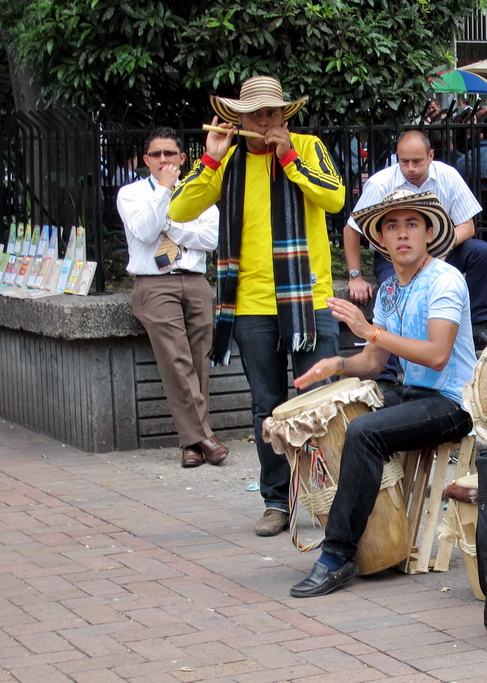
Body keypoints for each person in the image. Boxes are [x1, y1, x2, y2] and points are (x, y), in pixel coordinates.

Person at [169, 75, 346, 536]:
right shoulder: (225, 159)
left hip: (308, 299)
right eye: (254, 114)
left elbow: (334, 197)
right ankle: (276, 502)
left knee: (318, 405)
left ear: (284, 116)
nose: (263, 121)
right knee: (266, 407)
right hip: (249, 304)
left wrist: (287, 155)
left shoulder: (307, 147)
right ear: (238, 117)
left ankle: (329, 499)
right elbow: (180, 210)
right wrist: (209, 153)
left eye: (272, 113)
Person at [288, 190, 476, 597]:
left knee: (364, 431)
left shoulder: (445, 279)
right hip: (412, 393)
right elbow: (373, 362)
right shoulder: (390, 289)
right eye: (392, 226)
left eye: (411, 224)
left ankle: (337, 555)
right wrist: (336, 365)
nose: (402, 234)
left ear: (429, 233)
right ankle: (373, 538)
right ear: (381, 240)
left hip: (453, 402)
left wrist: (369, 330)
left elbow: (438, 355)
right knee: (341, 419)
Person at [117, 127, 228, 469]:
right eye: (156, 154)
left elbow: (210, 238)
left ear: (183, 158)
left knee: (198, 363)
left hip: (194, 281)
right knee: (176, 361)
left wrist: (173, 226)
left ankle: (190, 444)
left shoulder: (199, 192)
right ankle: (206, 438)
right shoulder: (131, 194)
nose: (163, 160)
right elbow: (147, 231)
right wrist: (164, 192)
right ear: (145, 160)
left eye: (170, 153)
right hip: (154, 284)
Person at [343, 130, 487, 352]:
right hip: (394, 256)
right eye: (404, 161)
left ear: (431, 156)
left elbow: (467, 226)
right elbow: (351, 229)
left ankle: (477, 324)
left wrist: (442, 248)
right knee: (393, 296)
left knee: (480, 251)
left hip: (441, 249)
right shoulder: (380, 183)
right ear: (397, 157)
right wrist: (355, 276)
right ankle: (386, 373)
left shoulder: (448, 176)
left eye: (417, 161)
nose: (411, 168)